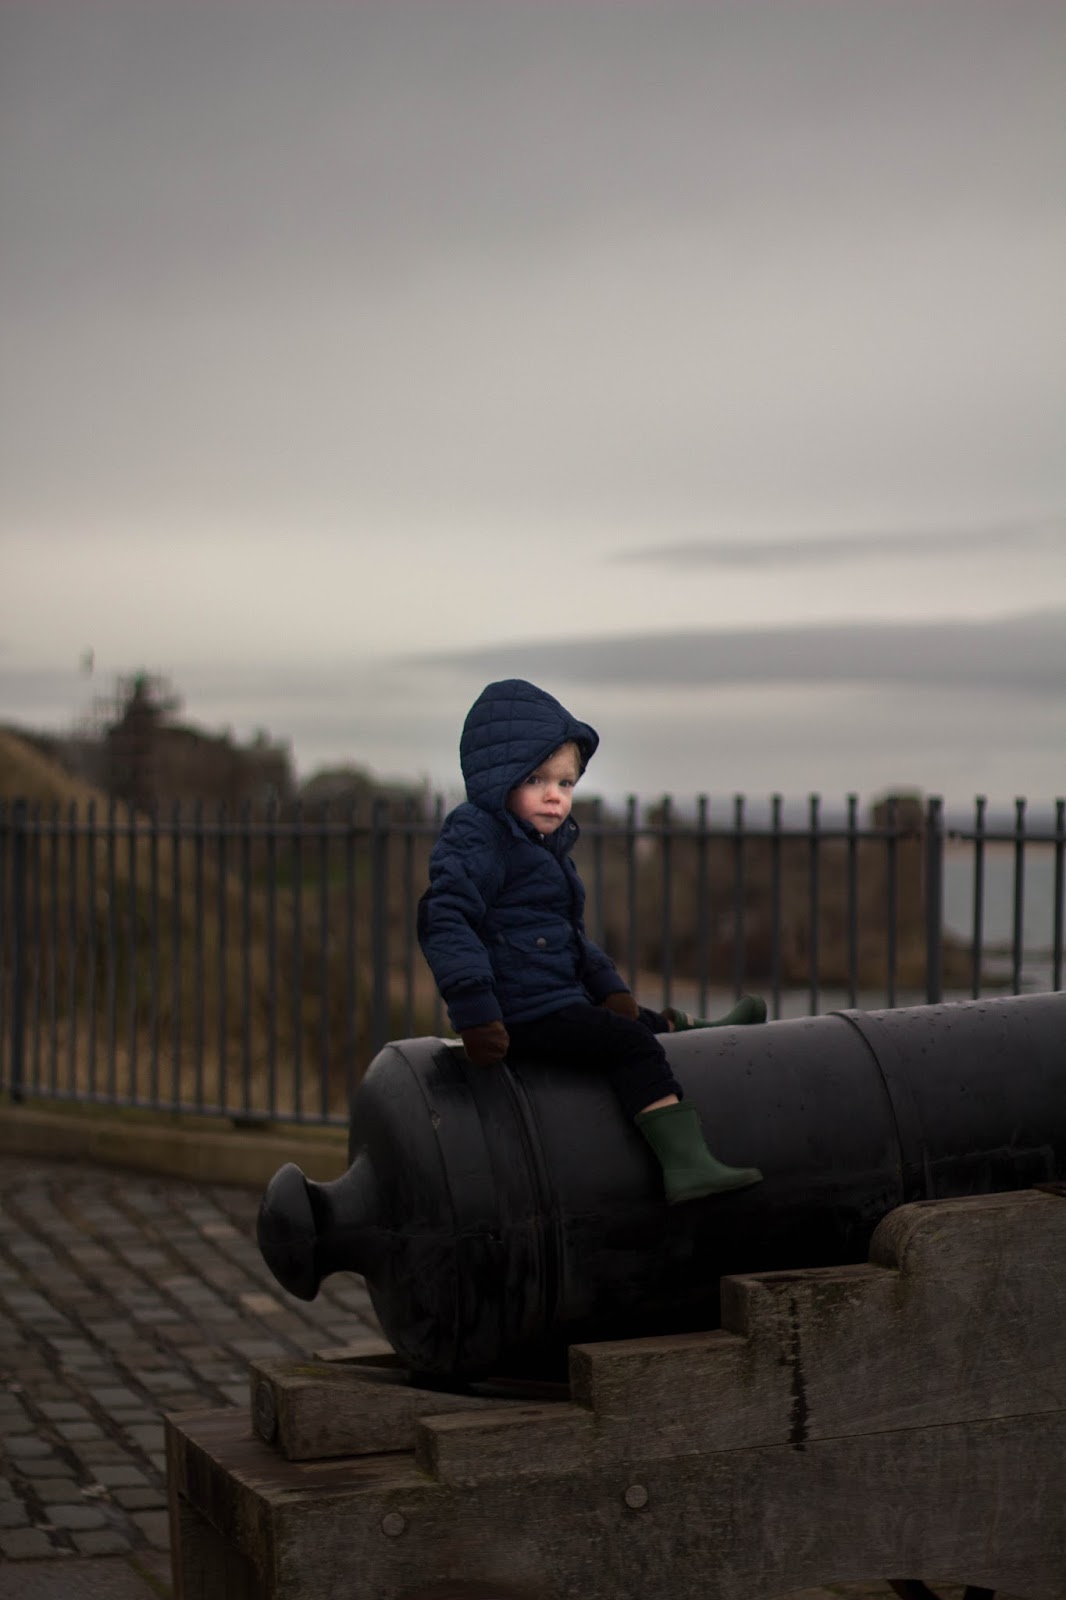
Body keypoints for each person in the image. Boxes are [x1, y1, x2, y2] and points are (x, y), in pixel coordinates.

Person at [417, 678, 763, 1205]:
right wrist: (475, 1011)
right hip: (519, 1014)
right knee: (629, 1044)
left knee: (634, 1019)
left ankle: (700, 1032)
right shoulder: (478, 838)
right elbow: (446, 920)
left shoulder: (542, 847)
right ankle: (686, 1164)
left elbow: (568, 937)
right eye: (536, 779)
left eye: (566, 782)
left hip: (554, 999)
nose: (555, 795)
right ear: (497, 777)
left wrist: (609, 987)